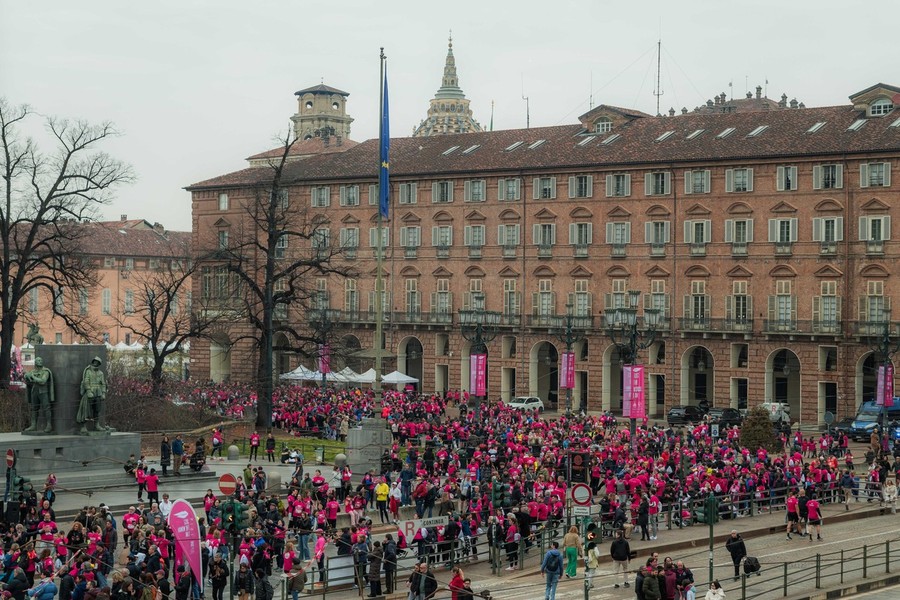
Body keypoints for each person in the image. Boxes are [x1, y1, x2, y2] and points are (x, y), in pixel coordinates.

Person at [77, 357, 108, 432]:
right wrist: (88, 391)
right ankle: (83, 426)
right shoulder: (88, 371)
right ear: (93, 361)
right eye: (95, 361)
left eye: (97, 362)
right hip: (90, 393)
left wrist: (103, 393)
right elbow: (86, 381)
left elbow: (103, 384)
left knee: (97, 410)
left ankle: (96, 425)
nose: (96, 363)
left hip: (98, 393)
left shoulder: (100, 373)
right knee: (86, 409)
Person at [24, 357, 54, 434]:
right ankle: (33, 425)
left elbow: (43, 381)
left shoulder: (46, 371)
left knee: (46, 408)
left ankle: (49, 425)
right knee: (34, 408)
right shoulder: (33, 371)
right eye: (38, 360)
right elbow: (27, 376)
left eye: (41, 360)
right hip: (34, 391)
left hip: (43, 392)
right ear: (35, 362)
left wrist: (33, 377)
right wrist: (27, 376)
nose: (40, 362)